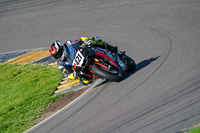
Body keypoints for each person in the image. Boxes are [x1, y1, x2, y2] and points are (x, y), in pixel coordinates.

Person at [49, 36, 118, 85]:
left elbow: (81, 39)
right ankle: (100, 74)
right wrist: (74, 75)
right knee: (85, 81)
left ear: (62, 48)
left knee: (95, 40)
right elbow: (68, 74)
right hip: (80, 68)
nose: (58, 56)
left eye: (58, 54)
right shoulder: (61, 63)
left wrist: (86, 41)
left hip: (85, 53)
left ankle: (111, 48)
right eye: (56, 56)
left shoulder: (68, 44)